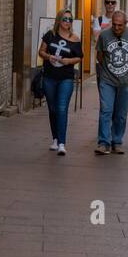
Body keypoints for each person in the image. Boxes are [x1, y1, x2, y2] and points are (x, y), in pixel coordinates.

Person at [95, 11, 128, 154]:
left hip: (126, 81)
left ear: (125, 24)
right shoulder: (104, 35)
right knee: (106, 110)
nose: (116, 28)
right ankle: (103, 142)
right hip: (107, 79)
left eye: (120, 25)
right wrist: (108, 70)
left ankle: (117, 141)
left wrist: (127, 69)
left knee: (121, 113)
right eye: (114, 25)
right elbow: (100, 56)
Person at [38, 11, 82, 155]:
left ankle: (62, 143)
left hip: (66, 78)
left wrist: (69, 61)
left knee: (62, 108)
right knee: (53, 109)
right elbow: (41, 52)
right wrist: (49, 56)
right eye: (65, 19)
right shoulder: (50, 35)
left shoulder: (75, 39)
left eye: (70, 19)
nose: (67, 22)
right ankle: (55, 139)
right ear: (59, 20)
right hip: (49, 77)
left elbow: (79, 57)